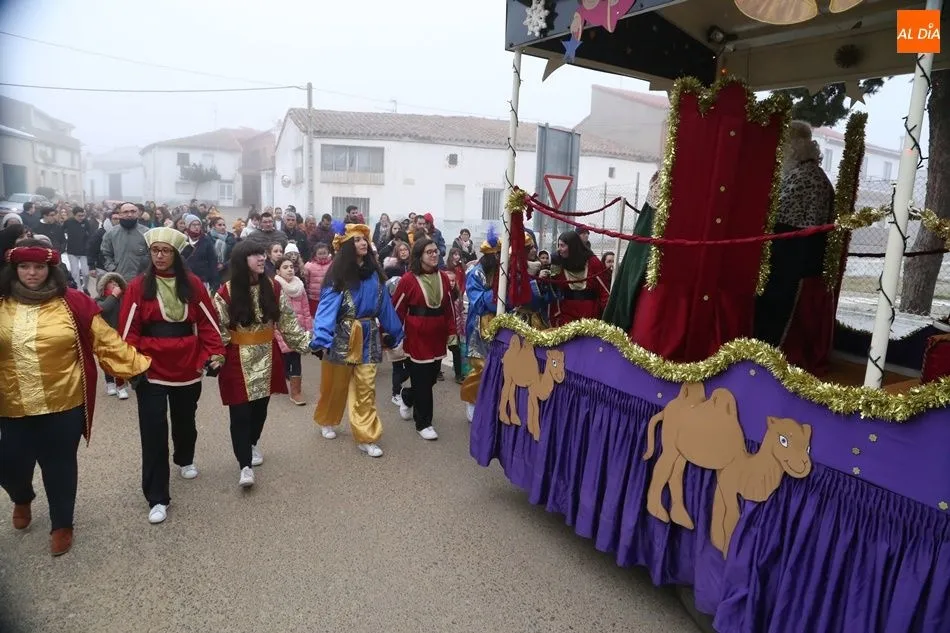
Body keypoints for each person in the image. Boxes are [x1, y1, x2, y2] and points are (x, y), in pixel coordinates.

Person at [0, 240, 150, 555]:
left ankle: (62, 524)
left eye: (39, 267)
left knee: (60, 466)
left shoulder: (73, 302)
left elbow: (106, 341)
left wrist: (139, 368)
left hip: (63, 403)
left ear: (50, 269)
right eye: (24, 267)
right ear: (13, 269)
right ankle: (21, 496)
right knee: (10, 465)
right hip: (11, 405)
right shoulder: (2, 303)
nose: (31, 273)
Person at [118, 227, 226, 524]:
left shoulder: (192, 284)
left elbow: (208, 323)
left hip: (187, 364)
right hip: (151, 367)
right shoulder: (139, 286)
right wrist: (131, 365)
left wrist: (214, 354)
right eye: (155, 251)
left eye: (166, 251)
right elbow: (128, 331)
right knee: (153, 433)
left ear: (176, 254)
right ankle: (157, 497)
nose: (160, 256)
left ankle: (185, 457)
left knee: (184, 420)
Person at [214, 240, 313, 487]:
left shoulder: (273, 287)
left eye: (261, 254)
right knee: (240, 413)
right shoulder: (225, 292)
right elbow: (218, 329)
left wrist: (310, 343)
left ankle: (251, 442)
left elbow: (288, 323)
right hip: (237, 358)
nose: (261, 259)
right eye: (254, 255)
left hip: (268, 356)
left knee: (260, 410)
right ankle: (244, 465)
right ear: (240, 260)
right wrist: (215, 356)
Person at [311, 222, 404, 458]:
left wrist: (396, 332)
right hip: (342, 336)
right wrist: (321, 337)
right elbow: (326, 308)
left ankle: (366, 435)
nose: (363, 242)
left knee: (366, 386)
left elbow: (385, 306)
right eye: (357, 240)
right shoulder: (338, 276)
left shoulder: (375, 275)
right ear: (346, 247)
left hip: (369, 334)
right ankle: (328, 419)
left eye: (364, 239)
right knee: (335, 385)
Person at [754, 120, 836, 347]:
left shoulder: (805, 176)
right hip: (791, 248)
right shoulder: (805, 173)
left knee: (778, 305)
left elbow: (775, 212)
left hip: (795, 254)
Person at [391, 238, 458, 440]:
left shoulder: (444, 278)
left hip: (437, 336)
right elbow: (397, 309)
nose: (434, 254)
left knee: (430, 378)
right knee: (421, 379)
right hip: (417, 336)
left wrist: (452, 332)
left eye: (436, 251)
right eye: (429, 252)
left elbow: (449, 308)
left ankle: (407, 396)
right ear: (419, 256)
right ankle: (424, 423)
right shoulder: (408, 280)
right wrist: (392, 335)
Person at [461, 228, 500, 422]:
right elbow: (476, 301)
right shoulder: (475, 273)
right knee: (479, 366)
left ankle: (490, 403)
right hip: (479, 324)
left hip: (499, 324)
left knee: (497, 366)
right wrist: (496, 294)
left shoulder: (502, 272)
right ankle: (471, 400)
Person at [546, 230, 610, 327]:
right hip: (566, 317)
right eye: (558, 245)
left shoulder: (593, 262)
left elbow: (604, 292)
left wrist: (608, 319)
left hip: (590, 316)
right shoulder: (559, 263)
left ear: (572, 246)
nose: (559, 249)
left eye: (562, 246)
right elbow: (552, 288)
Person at [274, 255, 313, 406]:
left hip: (298, 330)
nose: (289, 269)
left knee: (296, 359)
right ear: (278, 271)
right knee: (283, 359)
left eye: (291, 267)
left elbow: (306, 309)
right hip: (281, 330)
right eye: (285, 267)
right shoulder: (275, 287)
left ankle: (296, 392)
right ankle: (280, 380)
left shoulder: (300, 286)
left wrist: (308, 329)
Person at [95, 271, 131, 400]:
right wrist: (113, 296)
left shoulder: (123, 298)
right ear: (103, 285)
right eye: (110, 282)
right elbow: (103, 309)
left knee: (120, 360)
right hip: (105, 337)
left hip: (120, 335)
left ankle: (121, 386)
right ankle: (110, 383)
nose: (114, 284)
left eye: (116, 281)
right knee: (107, 361)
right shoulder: (99, 300)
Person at [302, 242, 332, 316]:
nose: (322, 256)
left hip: (329, 297)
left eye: (324, 253)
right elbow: (306, 282)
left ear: (328, 253)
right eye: (320, 254)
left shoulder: (333, 264)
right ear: (315, 254)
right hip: (313, 299)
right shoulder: (309, 265)